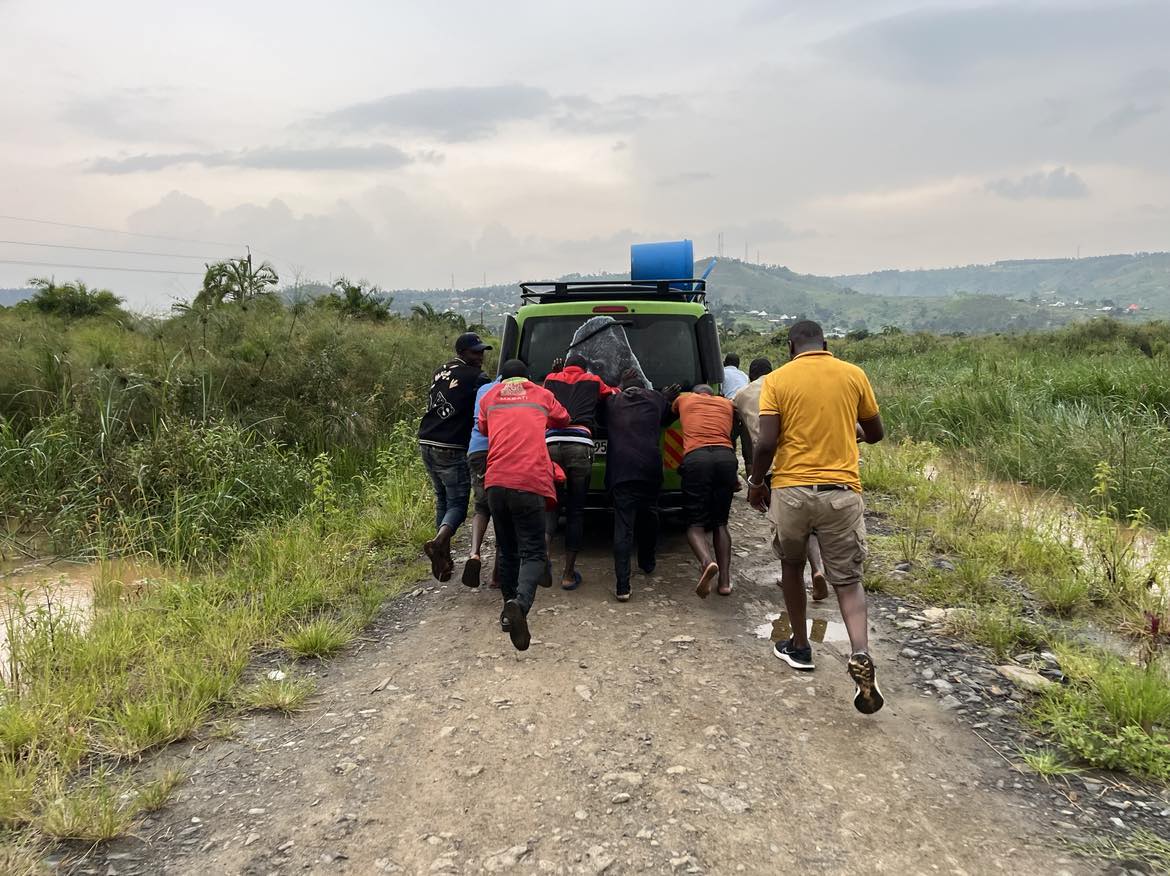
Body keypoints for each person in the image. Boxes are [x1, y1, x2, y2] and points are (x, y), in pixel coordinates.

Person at [747, 319, 886, 715]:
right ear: (825, 343)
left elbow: (766, 442)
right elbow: (875, 432)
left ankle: (800, 646)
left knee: (791, 566)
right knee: (849, 581)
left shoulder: (778, 379)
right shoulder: (853, 374)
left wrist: (756, 482)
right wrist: (851, 433)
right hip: (841, 493)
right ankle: (860, 652)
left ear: (791, 347)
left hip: (791, 492)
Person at [479, 359, 570, 651]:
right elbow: (564, 419)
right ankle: (520, 604)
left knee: (507, 550)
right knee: (532, 551)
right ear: (527, 378)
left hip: (495, 482)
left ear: (502, 378)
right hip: (529, 481)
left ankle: (508, 612)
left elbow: (483, 427)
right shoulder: (541, 394)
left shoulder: (489, 396)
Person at [735, 356, 830, 602]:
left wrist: (753, 480)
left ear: (750, 375)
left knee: (784, 525)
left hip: (771, 469)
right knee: (810, 526)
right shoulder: (786, 385)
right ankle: (818, 570)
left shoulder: (742, 395)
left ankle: (790, 575)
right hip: (802, 460)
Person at [417, 332, 492, 581]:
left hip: (426, 441)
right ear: (462, 353)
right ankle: (439, 542)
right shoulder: (477, 377)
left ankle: (443, 560)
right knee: (458, 503)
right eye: (475, 352)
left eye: (482, 352)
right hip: (451, 444)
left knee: (442, 499)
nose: (480, 357)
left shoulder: (441, 371)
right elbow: (486, 404)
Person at [542, 353, 619, 590]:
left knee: (551, 506)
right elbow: (613, 394)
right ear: (584, 368)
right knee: (576, 511)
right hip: (580, 444)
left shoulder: (550, 379)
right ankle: (567, 575)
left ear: (564, 366)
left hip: (551, 444)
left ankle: (542, 559)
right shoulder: (593, 380)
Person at [604, 369, 677, 602]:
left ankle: (622, 587)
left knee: (623, 528)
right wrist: (666, 396)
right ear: (643, 388)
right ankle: (647, 562)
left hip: (621, 471)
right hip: (649, 469)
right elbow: (667, 415)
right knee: (650, 516)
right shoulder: (655, 398)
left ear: (623, 388)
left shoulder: (612, 402)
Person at [671, 384, 738, 598]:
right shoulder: (726, 403)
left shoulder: (684, 399)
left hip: (697, 458)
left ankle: (707, 562)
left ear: (695, 393)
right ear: (712, 394)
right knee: (720, 523)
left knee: (695, 524)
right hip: (726, 458)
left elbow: (670, 414)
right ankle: (725, 582)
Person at [462, 375, 501, 589]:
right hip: (500, 450)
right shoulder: (519, 391)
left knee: (481, 506)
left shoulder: (484, 389)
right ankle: (497, 574)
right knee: (503, 509)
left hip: (476, 449)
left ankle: (474, 553)